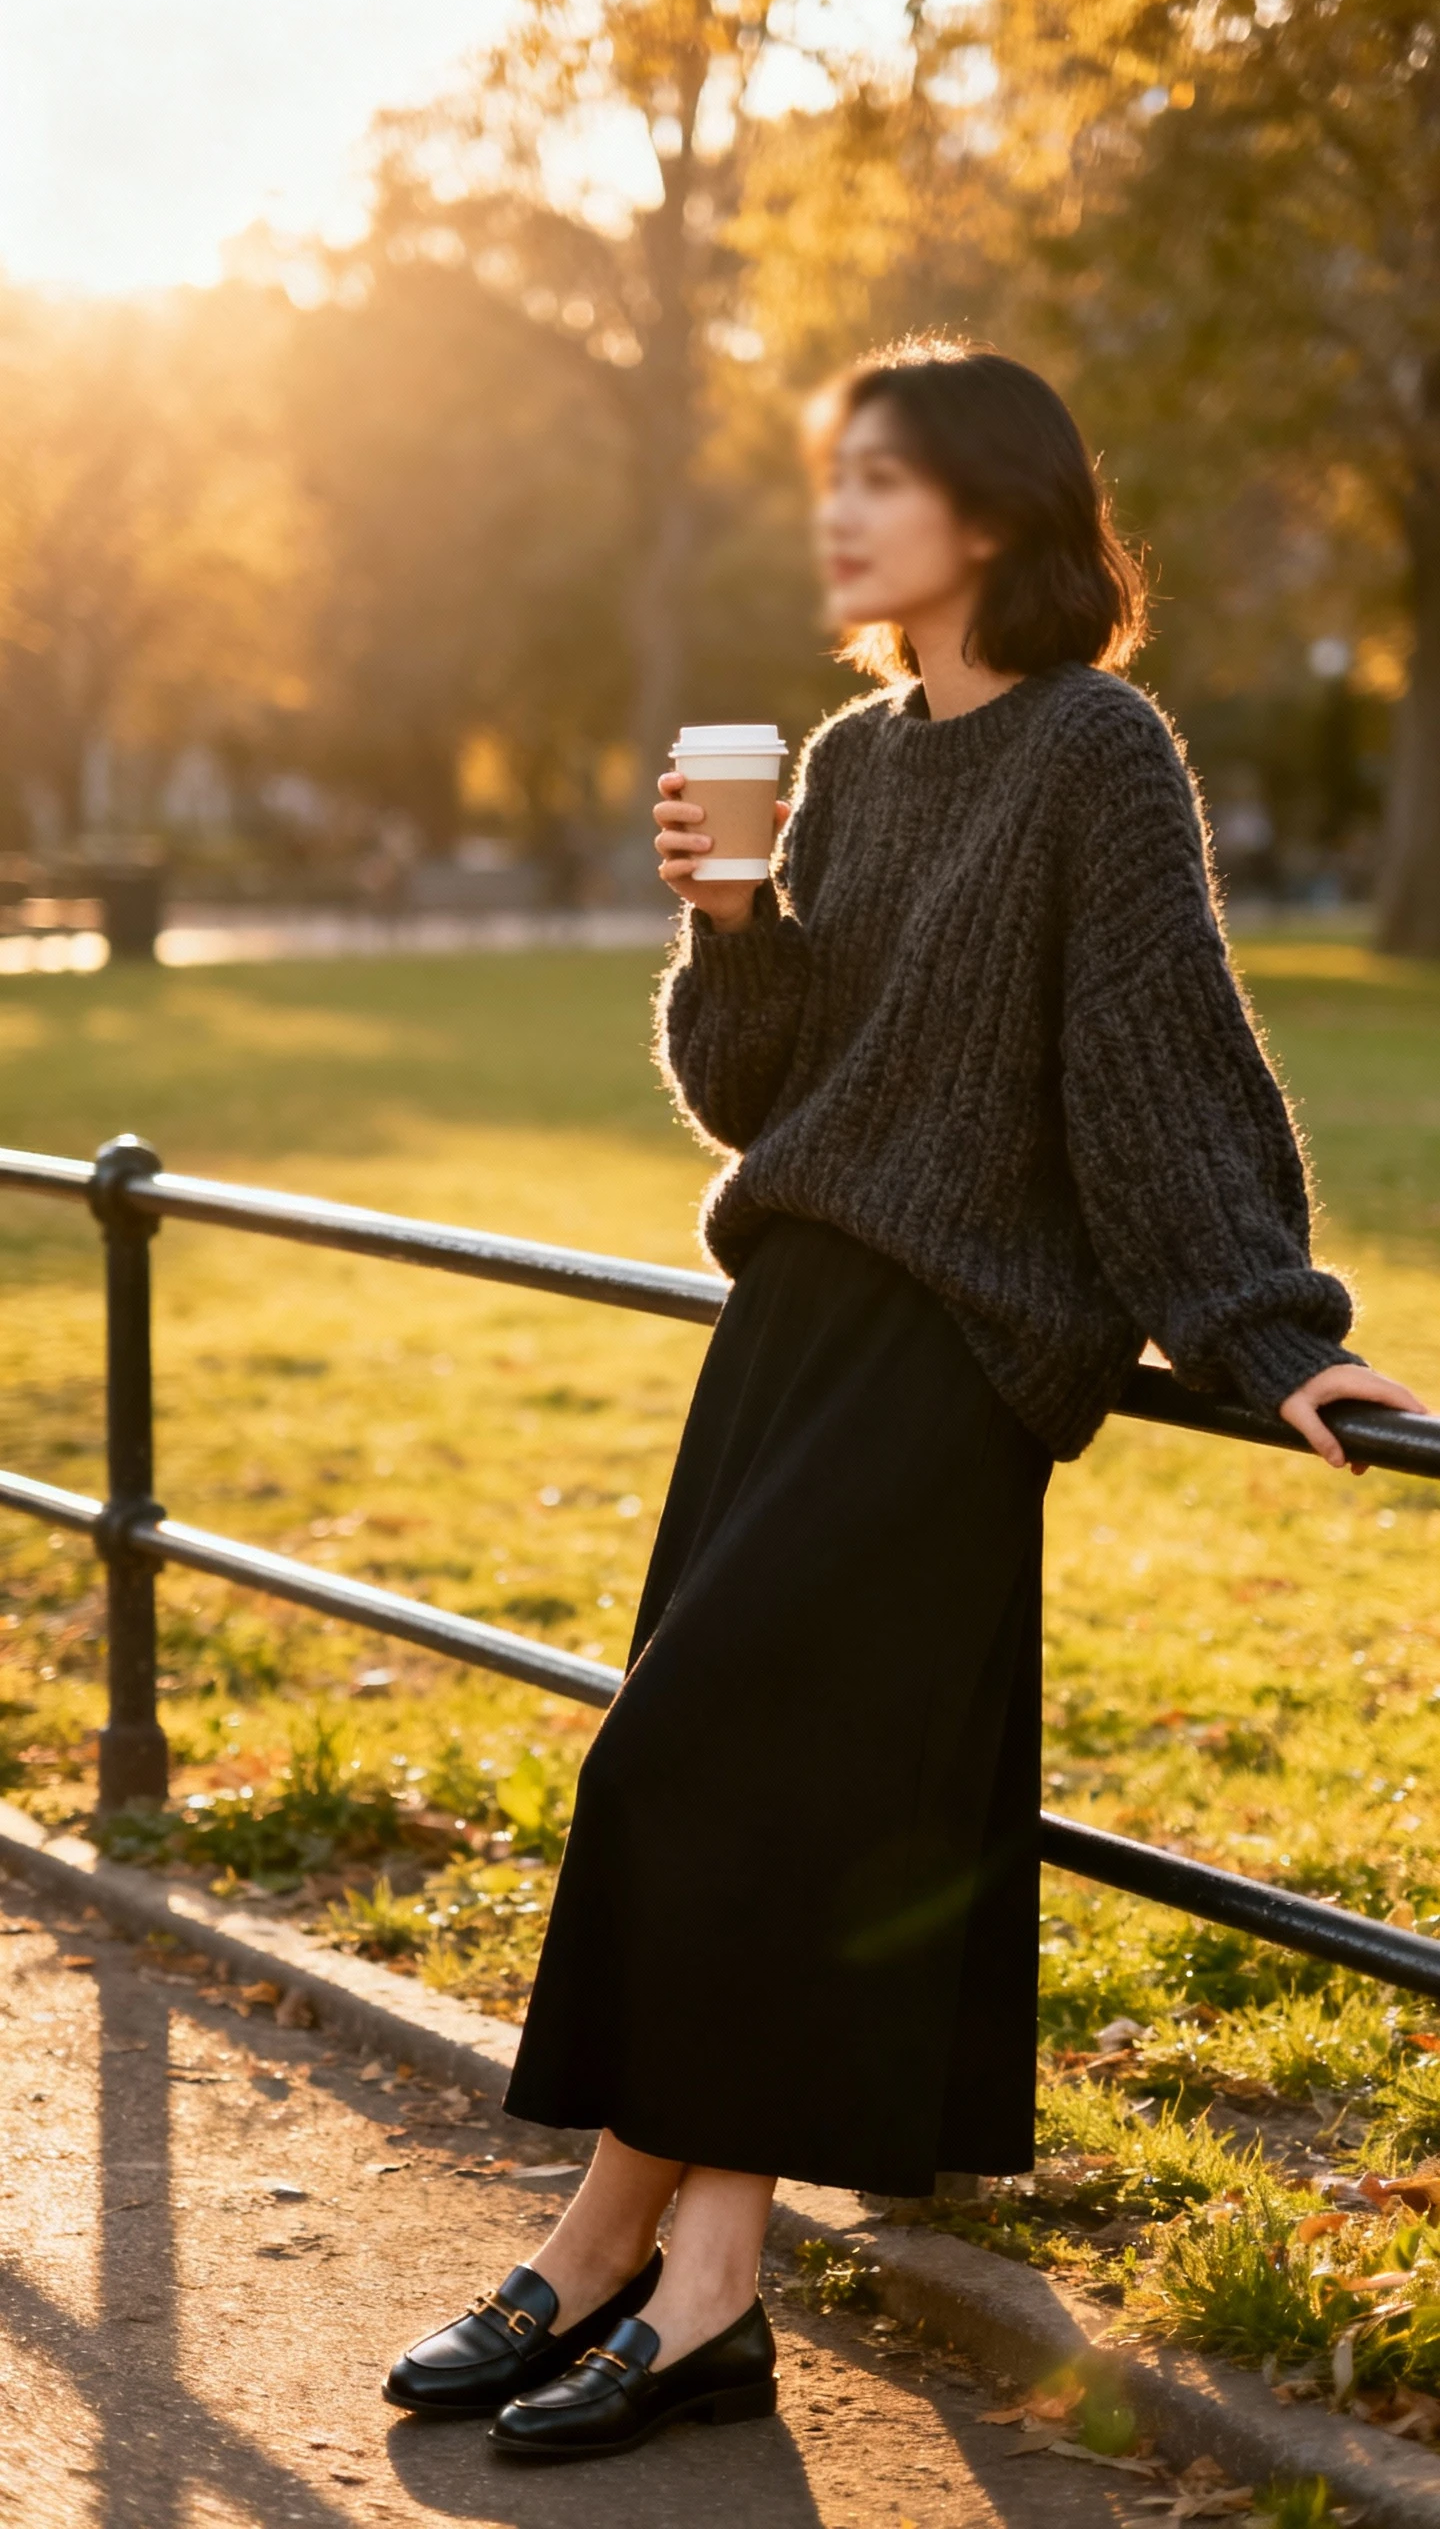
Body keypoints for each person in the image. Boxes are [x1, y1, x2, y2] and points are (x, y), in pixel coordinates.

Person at [382, 339, 1424, 2464]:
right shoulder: (853, 759)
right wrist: (734, 911)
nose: (838, 512)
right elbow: (760, 1089)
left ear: (999, 508)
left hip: (948, 1357)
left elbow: (1150, 1063)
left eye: (881, 476)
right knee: (729, 1780)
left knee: (711, 1761)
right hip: (786, 1331)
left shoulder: (1097, 751)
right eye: (829, 477)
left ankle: (650, 2257)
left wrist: (1266, 1321)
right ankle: (668, 2262)